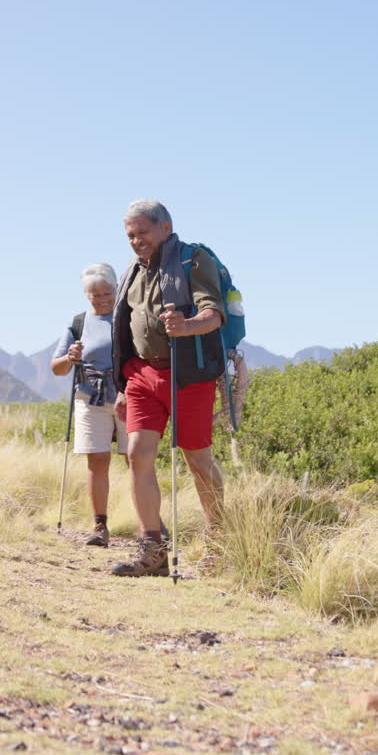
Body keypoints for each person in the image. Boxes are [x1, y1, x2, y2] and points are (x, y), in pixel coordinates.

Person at [110, 199, 226, 577]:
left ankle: (220, 540)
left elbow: (214, 312)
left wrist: (188, 326)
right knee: (137, 453)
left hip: (189, 375)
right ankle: (152, 547)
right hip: (141, 375)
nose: (135, 240)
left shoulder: (194, 261)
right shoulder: (133, 271)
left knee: (197, 461)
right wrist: (122, 385)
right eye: (130, 235)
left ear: (165, 226)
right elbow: (127, 327)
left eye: (142, 232)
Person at [50, 263, 127, 548]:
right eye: (96, 295)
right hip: (89, 397)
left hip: (128, 395)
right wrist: (70, 357)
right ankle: (100, 526)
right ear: (86, 295)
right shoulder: (79, 323)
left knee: (137, 460)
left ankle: (151, 525)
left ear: (117, 289)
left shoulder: (128, 318)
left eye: (108, 293)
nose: (103, 300)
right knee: (97, 460)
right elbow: (56, 368)